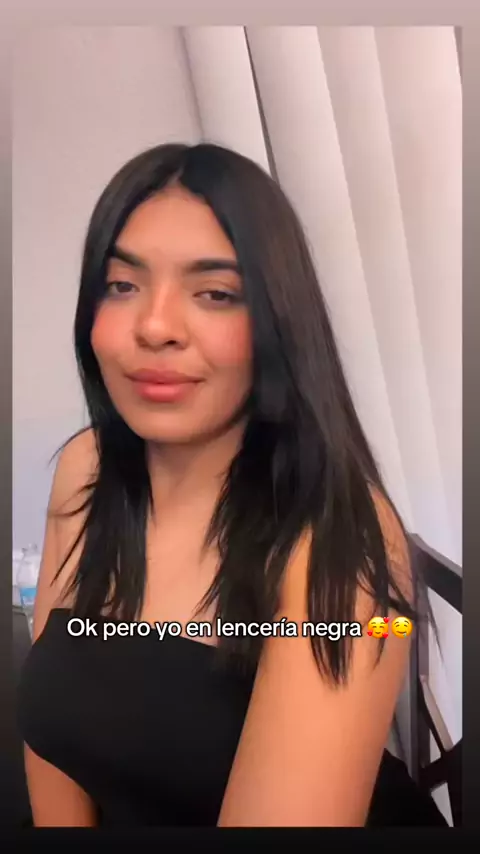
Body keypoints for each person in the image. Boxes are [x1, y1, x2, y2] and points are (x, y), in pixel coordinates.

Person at [17, 142, 446, 827]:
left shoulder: (335, 543)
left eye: (215, 294)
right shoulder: (86, 470)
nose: (155, 327)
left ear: (278, 323)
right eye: (122, 286)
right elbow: (53, 746)